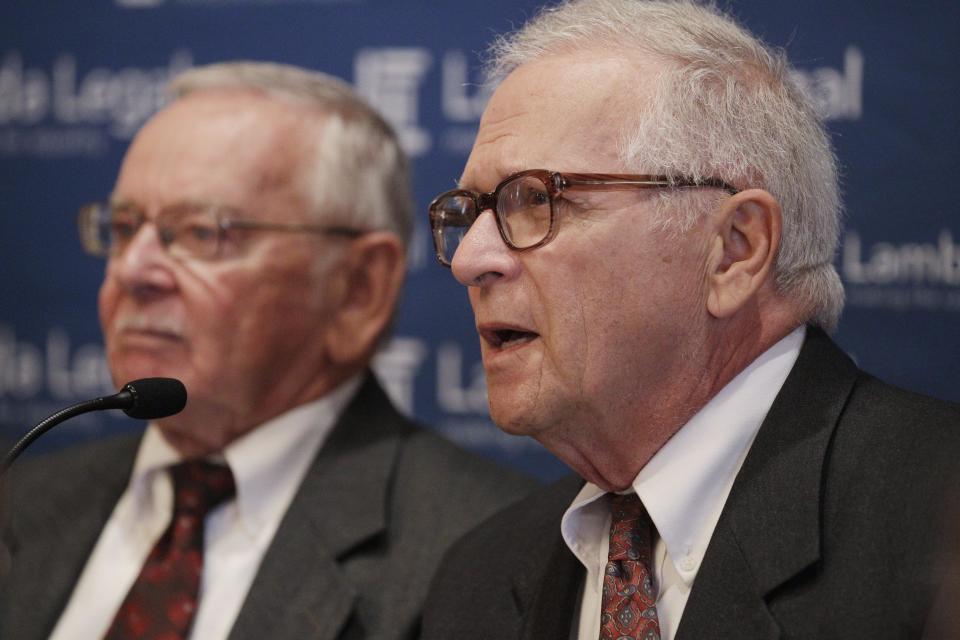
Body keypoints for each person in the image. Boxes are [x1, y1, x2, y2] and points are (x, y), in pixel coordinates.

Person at [421, 1, 960, 638]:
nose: (471, 261)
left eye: (535, 199)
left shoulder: (938, 520)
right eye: (470, 211)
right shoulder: (478, 578)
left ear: (735, 249)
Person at [0, 61, 534, 640]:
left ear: (359, 289)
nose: (133, 270)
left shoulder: (487, 555)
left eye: (204, 232)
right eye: (126, 228)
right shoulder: (22, 500)